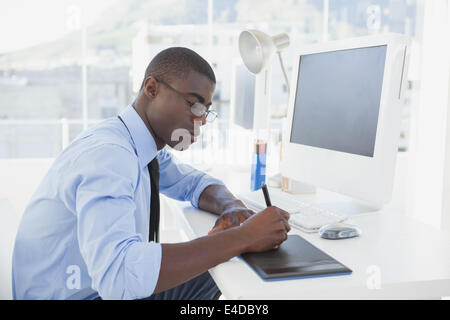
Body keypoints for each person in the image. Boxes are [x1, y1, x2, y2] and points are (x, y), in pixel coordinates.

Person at [12, 47, 290, 300]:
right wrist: (244, 237)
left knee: (223, 266)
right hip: (84, 295)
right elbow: (119, 277)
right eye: (194, 103)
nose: (202, 119)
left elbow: (193, 183)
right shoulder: (110, 155)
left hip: (97, 288)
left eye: (206, 109)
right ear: (152, 88)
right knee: (227, 264)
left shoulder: (140, 145)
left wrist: (232, 207)